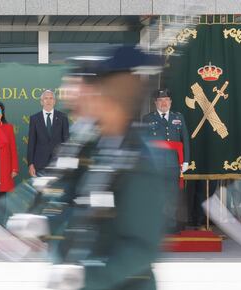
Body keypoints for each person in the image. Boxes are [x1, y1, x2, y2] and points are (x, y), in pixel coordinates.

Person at [13, 46, 172, 290]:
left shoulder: (143, 162)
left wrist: (86, 277)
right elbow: (70, 197)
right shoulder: (89, 139)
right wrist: (44, 222)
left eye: (87, 89)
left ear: (109, 98)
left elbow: (141, 249)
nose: (72, 95)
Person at [143, 89, 190, 232]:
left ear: (170, 102)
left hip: (174, 164)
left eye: (166, 100)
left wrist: (186, 161)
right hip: (155, 164)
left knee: (173, 195)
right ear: (155, 103)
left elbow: (185, 140)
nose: (164, 102)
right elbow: (144, 142)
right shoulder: (148, 119)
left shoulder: (178, 117)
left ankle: (172, 225)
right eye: (160, 100)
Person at [27, 90, 69, 177]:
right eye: (46, 98)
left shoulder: (62, 117)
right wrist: (30, 164)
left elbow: (66, 141)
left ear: (54, 101)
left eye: (51, 98)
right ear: (41, 102)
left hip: (58, 164)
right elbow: (31, 143)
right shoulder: (34, 118)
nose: (48, 101)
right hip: (39, 164)